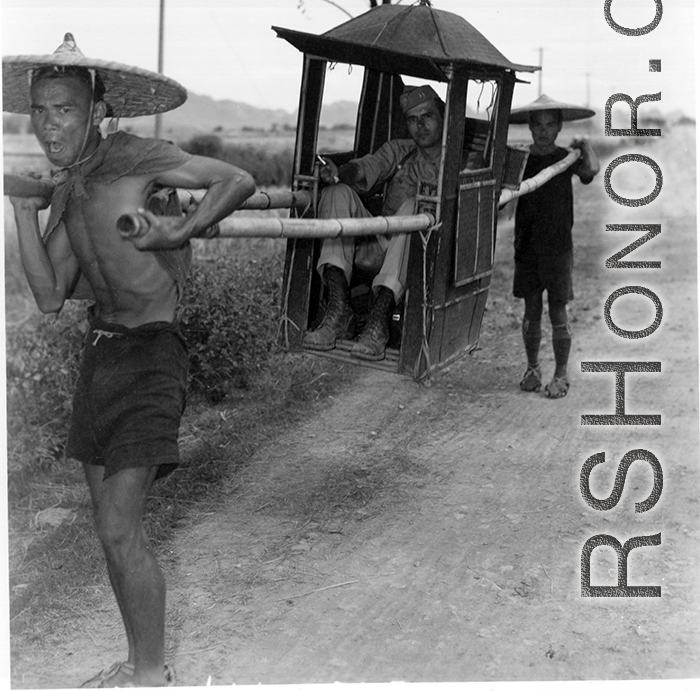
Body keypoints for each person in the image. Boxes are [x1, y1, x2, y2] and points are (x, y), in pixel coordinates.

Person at [4, 34, 256, 688]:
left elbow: (235, 178)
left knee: (119, 527)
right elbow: (50, 295)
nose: (48, 123)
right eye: (39, 109)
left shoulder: (136, 158)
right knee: (110, 531)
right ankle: (139, 661)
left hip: (152, 356)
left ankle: (151, 676)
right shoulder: (72, 191)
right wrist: (24, 211)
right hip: (101, 355)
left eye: (63, 109)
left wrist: (178, 230)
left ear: (96, 111)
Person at [303, 84, 444, 362]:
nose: (420, 126)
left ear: (443, 117)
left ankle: (378, 322)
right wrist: (338, 173)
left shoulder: (458, 160)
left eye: (427, 116)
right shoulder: (401, 151)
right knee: (336, 193)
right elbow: (368, 166)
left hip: (422, 256)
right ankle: (339, 308)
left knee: (414, 205)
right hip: (380, 246)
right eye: (413, 120)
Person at [509, 94, 600, 399]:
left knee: (557, 311)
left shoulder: (567, 158)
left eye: (550, 125)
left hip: (559, 247)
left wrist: (585, 146)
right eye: (538, 125)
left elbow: (592, 171)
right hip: (527, 245)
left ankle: (561, 375)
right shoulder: (521, 160)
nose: (544, 131)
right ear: (530, 127)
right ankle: (533, 369)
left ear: (559, 127)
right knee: (531, 309)